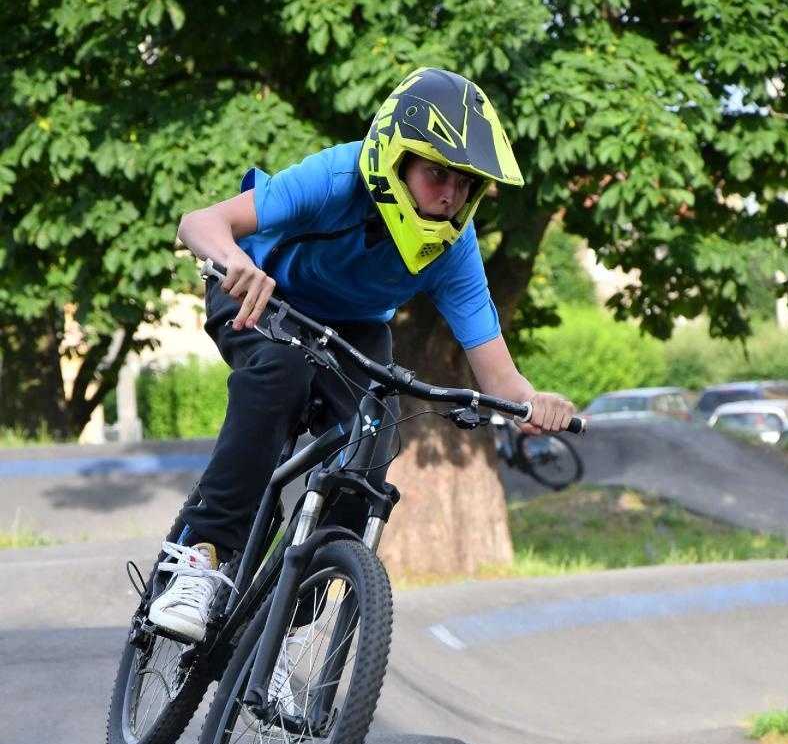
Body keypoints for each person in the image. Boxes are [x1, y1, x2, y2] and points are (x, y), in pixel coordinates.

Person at [149, 66, 576, 643]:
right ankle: (201, 556)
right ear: (397, 157)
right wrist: (235, 261)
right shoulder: (338, 177)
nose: (451, 195)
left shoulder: (454, 248)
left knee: (374, 434)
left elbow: (498, 375)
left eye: (466, 183)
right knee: (280, 371)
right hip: (260, 294)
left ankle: (282, 626)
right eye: (436, 174)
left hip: (353, 330)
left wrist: (531, 405)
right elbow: (199, 222)